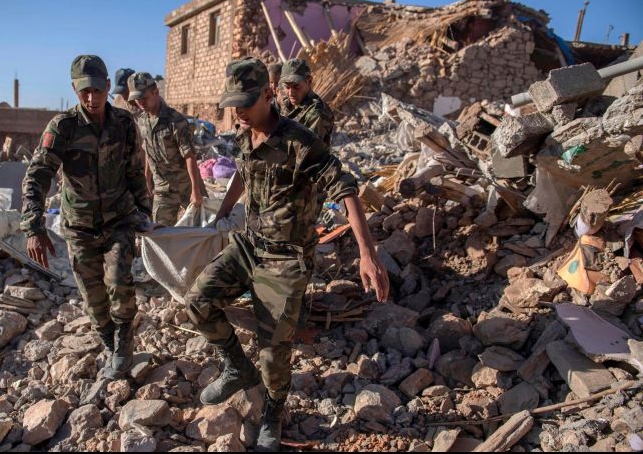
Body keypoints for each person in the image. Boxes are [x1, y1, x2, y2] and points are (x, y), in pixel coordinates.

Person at [184, 57, 390, 451]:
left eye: (247, 102)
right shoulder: (245, 134)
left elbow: (344, 187)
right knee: (198, 302)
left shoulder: (299, 140)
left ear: (268, 93)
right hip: (249, 245)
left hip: (286, 258)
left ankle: (273, 413)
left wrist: (368, 253)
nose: (240, 112)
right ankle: (236, 368)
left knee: (273, 350)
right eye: (234, 105)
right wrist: (222, 213)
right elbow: (245, 173)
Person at [21, 55, 151, 380]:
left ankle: (123, 347)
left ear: (108, 86)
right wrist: (33, 227)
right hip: (79, 228)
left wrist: (144, 214)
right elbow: (38, 175)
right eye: (84, 92)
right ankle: (112, 346)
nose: (91, 99)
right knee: (94, 300)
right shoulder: (63, 127)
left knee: (120, 285)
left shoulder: (123, 124)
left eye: (96, 90)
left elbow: (136, 172)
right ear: (75, 91)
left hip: (118, 221)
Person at [129, 71, 207, 226]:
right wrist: (147, 178)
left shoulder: (175, 120)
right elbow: (147, 151)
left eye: (144, 98)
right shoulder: (142, 121)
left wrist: (195, 190)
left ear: (155, 92)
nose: (141, 103)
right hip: (163, 189)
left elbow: (189, 155)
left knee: (204, 229)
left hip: (186, 184)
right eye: (137, 99)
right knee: (160, 234)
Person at [280, 58, 335, 148]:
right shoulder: (288, 104)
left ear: (309, 81)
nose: (291, 93)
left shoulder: (318, 112)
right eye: (287, 87)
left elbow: (302, 150)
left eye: (296, 86)